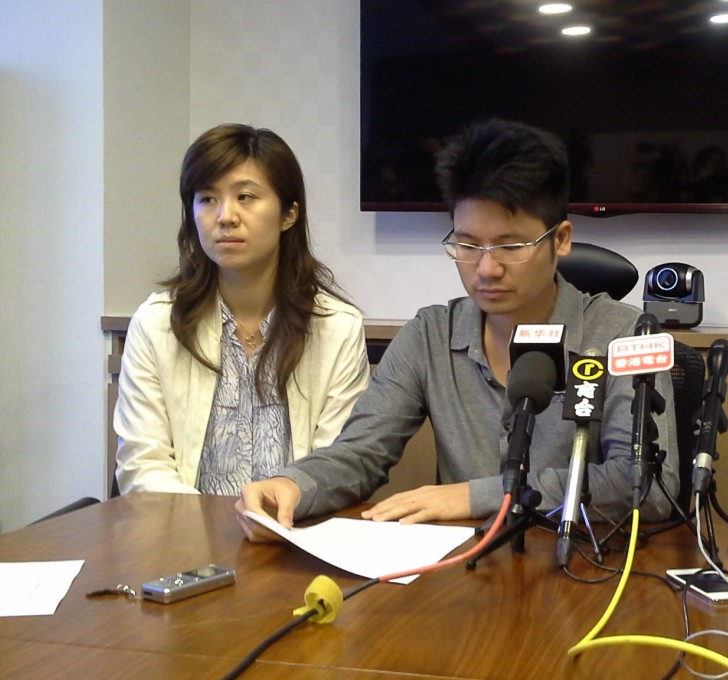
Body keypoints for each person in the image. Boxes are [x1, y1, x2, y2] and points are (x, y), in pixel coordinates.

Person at [236, 118, 678, 536]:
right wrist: (295, 486)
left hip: (582, 570)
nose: (486, 269)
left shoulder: (626, 337)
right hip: (463, 577)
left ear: (561, 239)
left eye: (511, 246)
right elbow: (361, 454)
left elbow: (646, 485)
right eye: (467, 244)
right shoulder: (431, 334)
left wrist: (479, 496)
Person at [114, 124, 370, 495]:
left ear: (288, 214)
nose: (225, 216)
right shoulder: (156, 324)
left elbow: (336, 469)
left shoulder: (336, 329)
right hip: (183, 541)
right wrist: (204, 536)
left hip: (293, 537)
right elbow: (142, 466)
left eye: (246, 197)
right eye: (207, 199)